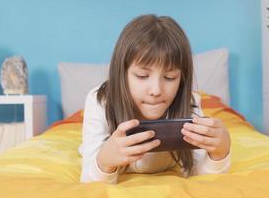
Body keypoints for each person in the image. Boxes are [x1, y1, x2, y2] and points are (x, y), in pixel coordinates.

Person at [79, 14, 231, 184]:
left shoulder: (189, 104)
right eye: (142, 76)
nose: (156, 90)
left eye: (170, 77)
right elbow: (89, 182)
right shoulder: (100, 102)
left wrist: (219, 154)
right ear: (121, 74)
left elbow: (201, 176)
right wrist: (105, 162)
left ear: (182, 79)